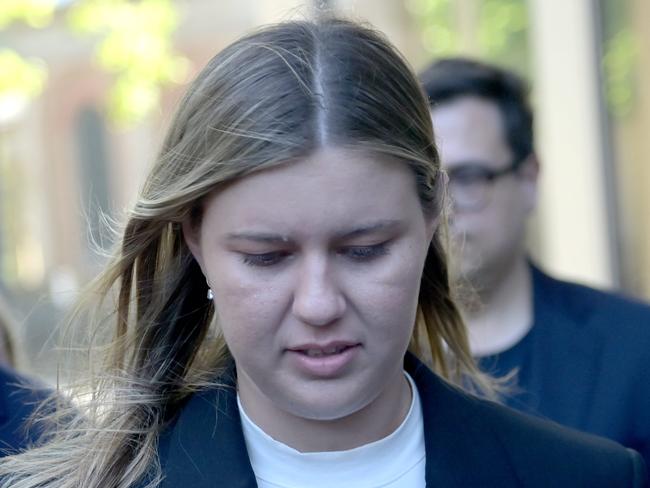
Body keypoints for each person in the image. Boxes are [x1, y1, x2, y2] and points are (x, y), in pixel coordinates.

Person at [0, 18, 646, 488]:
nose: (318, 304)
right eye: (266, 256)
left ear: (432, 218)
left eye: (364, 250)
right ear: (194, 239)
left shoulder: (586, 476)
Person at [420, 56, 650, 467]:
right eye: (428, 183)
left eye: (469, 177)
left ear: (529, 179)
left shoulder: (636, 347)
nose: (446, 208)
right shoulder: (363, 355)